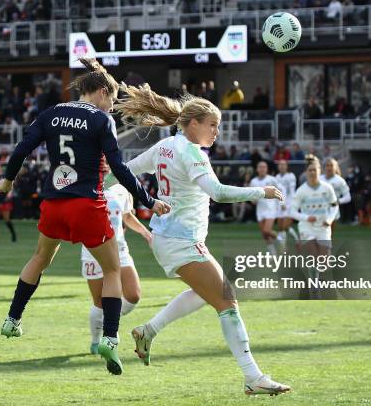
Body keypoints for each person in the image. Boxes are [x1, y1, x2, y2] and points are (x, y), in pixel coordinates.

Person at [107, 82, 290, 396]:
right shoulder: (191, 153)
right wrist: (263, 192)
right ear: (193, 124)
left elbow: (123, 172)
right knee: (227, 302)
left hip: (168, 238)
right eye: (213, 125)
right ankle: (253, 376)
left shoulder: (165, 147)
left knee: (208, 293)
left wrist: (91, 186)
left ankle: (147, 331)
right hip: (181, 241)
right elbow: (218, 192)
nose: (217, 132)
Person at [0, 58, 169, 377]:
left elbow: (21, 149)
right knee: (112, 269)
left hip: (53, 204)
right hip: (87, 204)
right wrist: (147, 199)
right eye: (111, 99)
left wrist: (6, 182)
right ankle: (109, 339)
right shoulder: (102, 120)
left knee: (39, 259)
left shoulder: (51, 113)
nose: (110, 106)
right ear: (102, 92)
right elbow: (118, 168)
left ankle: (12, 319)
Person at [83, 182, 152, 355]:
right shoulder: (85, 182)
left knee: (133, 295)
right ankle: (96, 340)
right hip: (93, 250)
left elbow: (127, 216)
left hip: (119, 249)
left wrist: (146, 233)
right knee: (99, 302)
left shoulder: (122, 187)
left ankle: (110, 321)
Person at [290, 155, 339, 299]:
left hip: (323, 227)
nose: (312, 172)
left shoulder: (327, 188)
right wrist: (306, 218)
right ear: (306, 172)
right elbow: (292, 211)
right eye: (310, 170)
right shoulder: (301, 190)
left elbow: (334, 206)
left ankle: (316, 282)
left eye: (315, 170)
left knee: (323, 261)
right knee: (312, 257)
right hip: (307, 227)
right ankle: (314, 288)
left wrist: (329, 219)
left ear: (320, 171)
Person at [249, 160, 284, 255]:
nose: (262, 169)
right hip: (260, 210)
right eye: (260, 167)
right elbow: (251, 196)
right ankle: (273, 253)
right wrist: (253, 201)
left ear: (267, 169)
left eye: (264, 167)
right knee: (264, 234)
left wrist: (282, 203)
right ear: (257, 169)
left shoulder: (272, 179)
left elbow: (281, 190)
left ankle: (280, 240)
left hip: (271, 208)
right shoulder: (253, 181)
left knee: (267, 230)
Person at [320, 158, 351, 227]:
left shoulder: (340, 180)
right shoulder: (319, 179)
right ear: (324, 167)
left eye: (331, 165)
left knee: (328, 235)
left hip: (332, 210)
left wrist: (338, 201)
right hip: (318, 209)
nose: (329, 168)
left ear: (335, 167)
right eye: (327, 166)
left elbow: (348, 197)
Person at [275, 160, 298, 249]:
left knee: (285, 227)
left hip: (289, 204)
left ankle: (283, 248)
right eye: (280, 165)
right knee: (281, 228)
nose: (282, 166)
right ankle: (297, 239)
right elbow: (277, 192)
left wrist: (291, 203)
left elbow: (291, 192)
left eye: (283, 165)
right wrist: (280, 202)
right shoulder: (276, 177)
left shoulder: (291, 176)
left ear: (287, 166)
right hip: (280, 204)